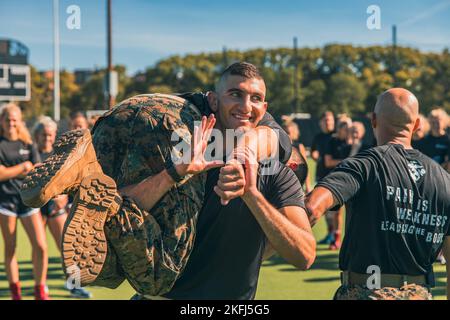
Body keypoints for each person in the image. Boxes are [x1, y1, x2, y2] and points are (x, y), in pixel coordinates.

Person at [20, 62, 299, 297]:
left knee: (113, 226)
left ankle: (85, 166)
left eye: (254, 99)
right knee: (156, 273)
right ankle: (94, 184)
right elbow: (271, 138)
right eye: (236, 94)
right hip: (171, 129)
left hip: (124, 117)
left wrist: (175, 172)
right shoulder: (221, 132)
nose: (246, 105)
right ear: (213, 99)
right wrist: (240, 158)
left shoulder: (206, 108)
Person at [305, 88, 450, 300]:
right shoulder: (445, 181)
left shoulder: (363, 166)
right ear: (417, 125)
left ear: (373, 120)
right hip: (420, 294)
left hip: (366, 292)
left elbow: (311, 208)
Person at [32, 116, 93, 299]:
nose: (47, 138)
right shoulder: (31, 151)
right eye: (44, 135)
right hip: (35, 209)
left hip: (55, 207)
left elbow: (68, 181)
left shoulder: (59, 154)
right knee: (40, 249)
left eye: (50, 135)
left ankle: (74, 286)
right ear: (37, 135)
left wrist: (64, 196)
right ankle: (41, 287)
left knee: (69, 247)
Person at [0, 103, 49, 300]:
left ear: (20, 121)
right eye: (7, 119)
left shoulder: (28, 144)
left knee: (40, 246)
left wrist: (30, 168)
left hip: (27, 201)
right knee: (11, 247)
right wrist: (22, 168)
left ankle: (40, 290)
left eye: (14, 120)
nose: (11, 123)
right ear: (1, 122)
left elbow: (37, 168)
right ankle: (16, 293)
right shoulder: (0, 143)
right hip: (6, 202)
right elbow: (1, 174)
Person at [323, 119, 352, 250]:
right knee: (334, 213)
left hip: (350, 181)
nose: (348, 132)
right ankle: (334, 237)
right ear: (340, 129)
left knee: (348, 213)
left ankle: (341, 239)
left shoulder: (352, 143)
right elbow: (328, 162)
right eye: (346, 129)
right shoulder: (332, 141)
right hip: (334, 180)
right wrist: (347, 161)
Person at [311, 111, 335, 245]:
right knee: (325, 209)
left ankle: (335, 235)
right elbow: (314, 151)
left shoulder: (337, 136)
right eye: (325, 120)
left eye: (330, 120)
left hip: (336, 175)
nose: (328, 122)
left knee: (335, 210)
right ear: (321, 123)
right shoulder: (319, 137)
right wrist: (316, 156)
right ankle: (330, 233)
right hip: (321, 174)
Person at [282, 119, 311, 192]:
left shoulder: (299, 146)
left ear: (294, 133)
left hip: (297, 182)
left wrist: (308, 187)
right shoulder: (279, 147)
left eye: (288, 132)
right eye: (284, 132)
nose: (286, 135)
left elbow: (305, 167)